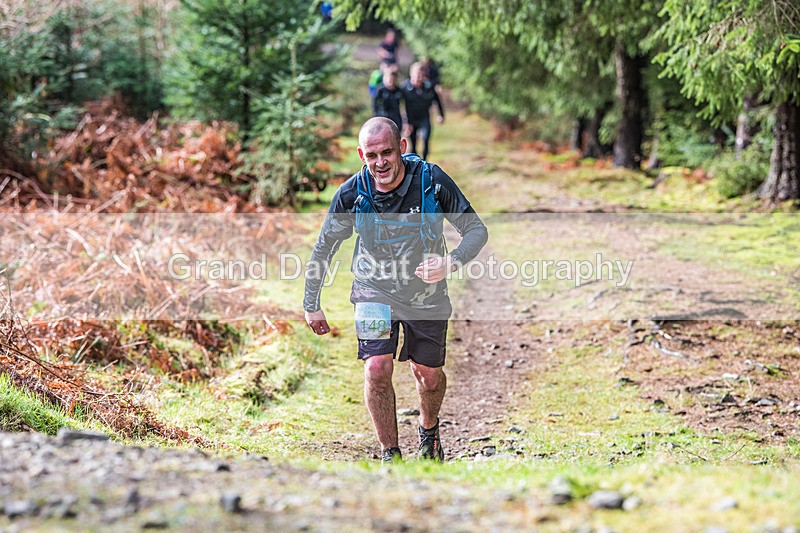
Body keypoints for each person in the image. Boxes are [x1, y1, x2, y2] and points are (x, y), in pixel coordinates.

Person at [303, 117, 488, 463]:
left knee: (428, 376)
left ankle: (429, 432)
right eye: (371, 156)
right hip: (373, 290)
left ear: (401, 147)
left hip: (426, 296)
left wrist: (450, 263)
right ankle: (391, 453)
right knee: (376, 368)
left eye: (386, 152)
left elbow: (476, 230)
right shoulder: (352, 194)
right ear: (361, 155)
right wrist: (311, 303)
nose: (380, 163)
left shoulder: (431, 181)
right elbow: (324, 248)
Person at [402, 62, 445, 160]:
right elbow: (397, 105)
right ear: (411, 74)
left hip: (424, 118)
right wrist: (405, 122)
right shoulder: (404, 88)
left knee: (425, 139)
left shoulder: (429, 87)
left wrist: (441, 115)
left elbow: (437, 101)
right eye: (416, 74)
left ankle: (425, 162)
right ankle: (415, 163)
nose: (418, 77)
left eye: (420, 74)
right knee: (413, 145)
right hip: (411, 119)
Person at [372, 64, 405, 131]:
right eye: (388, 79)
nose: (390, 82)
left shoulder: (399, 91)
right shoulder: (380, 90)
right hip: (383, 118)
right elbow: (375, 106)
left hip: (396, 119)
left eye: (392, 79)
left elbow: (404, 105)